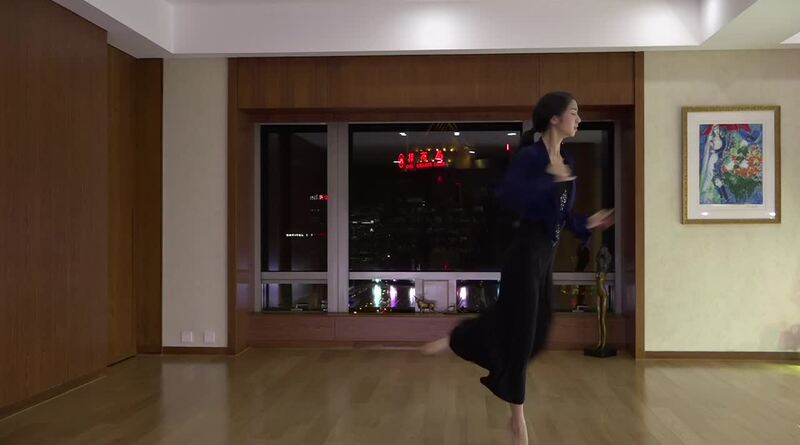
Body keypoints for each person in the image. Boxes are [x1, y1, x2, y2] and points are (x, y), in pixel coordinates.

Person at [420, 91, 614, 445]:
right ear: (554, 118)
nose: (579, 119)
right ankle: (518, 420)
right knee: (522, 332)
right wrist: (549, 179)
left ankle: (460, 339)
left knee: (539, 331)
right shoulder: (531, 157)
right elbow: (510, 196)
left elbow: (564, 214)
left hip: (545, 256)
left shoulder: (566, 159)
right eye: (574, 113)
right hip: (525, 252)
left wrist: (589, 222)